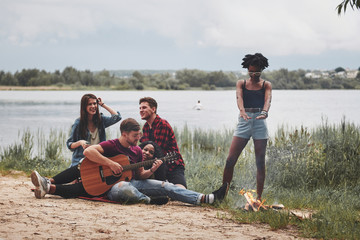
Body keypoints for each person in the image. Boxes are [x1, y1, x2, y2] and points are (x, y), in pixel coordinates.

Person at [31, 118, 229, 206]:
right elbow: (89, 151)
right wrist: (109, 164)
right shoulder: (113, 144)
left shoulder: (136, 151)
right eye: (135, 135)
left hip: (132, 181)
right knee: (123, 188)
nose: (138, 139)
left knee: (165, 186)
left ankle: (205, 199)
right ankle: (149, 201)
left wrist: (151, 170)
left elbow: (138, 176)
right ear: (124, 134)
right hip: (113, 187)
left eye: (139, 135)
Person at [216, 53, 272, 202]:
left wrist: (265, 112)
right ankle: (223, 195)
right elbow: (239, 98)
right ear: (247, 69)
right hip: (244, 121)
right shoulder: (241, 83)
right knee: (230, 161)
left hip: (260, 122)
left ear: (262, 69)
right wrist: (242, 111)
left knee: (260, 162)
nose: (253, 75)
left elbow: (268, 100)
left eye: (257, 72)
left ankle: (259, 199)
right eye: (251, 71)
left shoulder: (266, 84)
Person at [139, 97, 187, 189]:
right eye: (140, 108)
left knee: (180, 189)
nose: (141, 110)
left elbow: (157, 151)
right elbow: (146, 150)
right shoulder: (145, 127)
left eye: (144, 108)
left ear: (153, 109)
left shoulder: (162, 124)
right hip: (156, 165)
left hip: (172, 165)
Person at [66, 93, 121, 167]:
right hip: (81, 161)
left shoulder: (101, 120)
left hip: (99, 160)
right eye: (89, 104)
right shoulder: (78, 123)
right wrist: (80, 142)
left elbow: (117, 117)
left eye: (95, 103)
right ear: (84, 107)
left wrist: (102, 104)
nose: (93, 106)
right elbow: (69, 144)